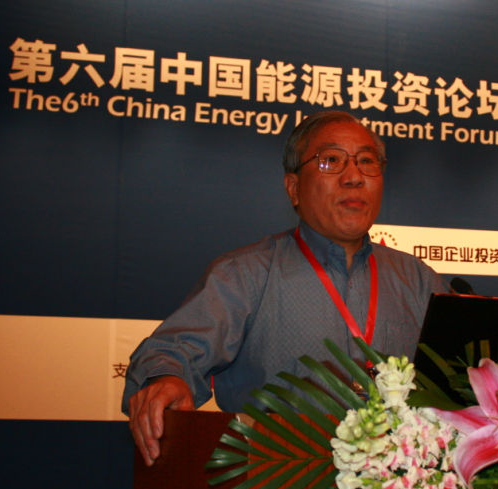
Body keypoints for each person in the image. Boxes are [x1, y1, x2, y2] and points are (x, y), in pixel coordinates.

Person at [124, 110, 450, 466]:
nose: (354, 177)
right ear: (294, 188)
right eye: (331, 161)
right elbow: (171, 351)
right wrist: (166, 377)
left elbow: (462, 378)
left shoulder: (419, 280)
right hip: (277, 483)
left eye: (367, 161)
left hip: (399, 487)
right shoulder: (245, 274)